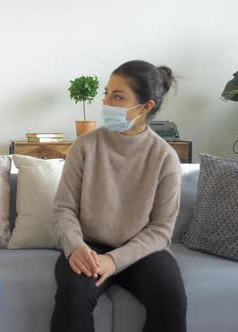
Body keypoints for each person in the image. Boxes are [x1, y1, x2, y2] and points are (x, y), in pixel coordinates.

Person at [50, 60, 187, 332]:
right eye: (107, 94)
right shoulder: (85, 146)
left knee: (172, 300)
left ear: (145, 107)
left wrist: (114, 261)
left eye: (118, 96)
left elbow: (161, 229)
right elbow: (64, 208)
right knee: (72, 298)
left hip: (142, 251)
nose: (107, 103)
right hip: (88, 247)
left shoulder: (164, 157)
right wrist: (76, 247)